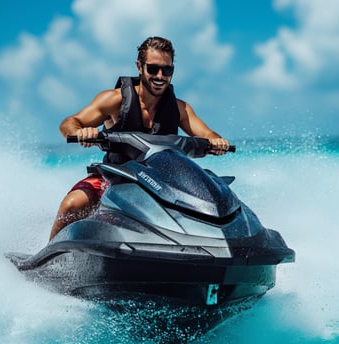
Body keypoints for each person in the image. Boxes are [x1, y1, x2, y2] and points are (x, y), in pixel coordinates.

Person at [49, 36, 230, 241]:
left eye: (167, 70)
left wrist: (217, 141)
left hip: (162, 187)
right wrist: (80, 132)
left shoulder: (180, 109)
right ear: (139, 66)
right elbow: (70, 122)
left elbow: (208, 134)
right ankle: (47, 260)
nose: (160, 75)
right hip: (115, 180)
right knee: (72, 204)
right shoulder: (114, 100)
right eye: (153, 69)